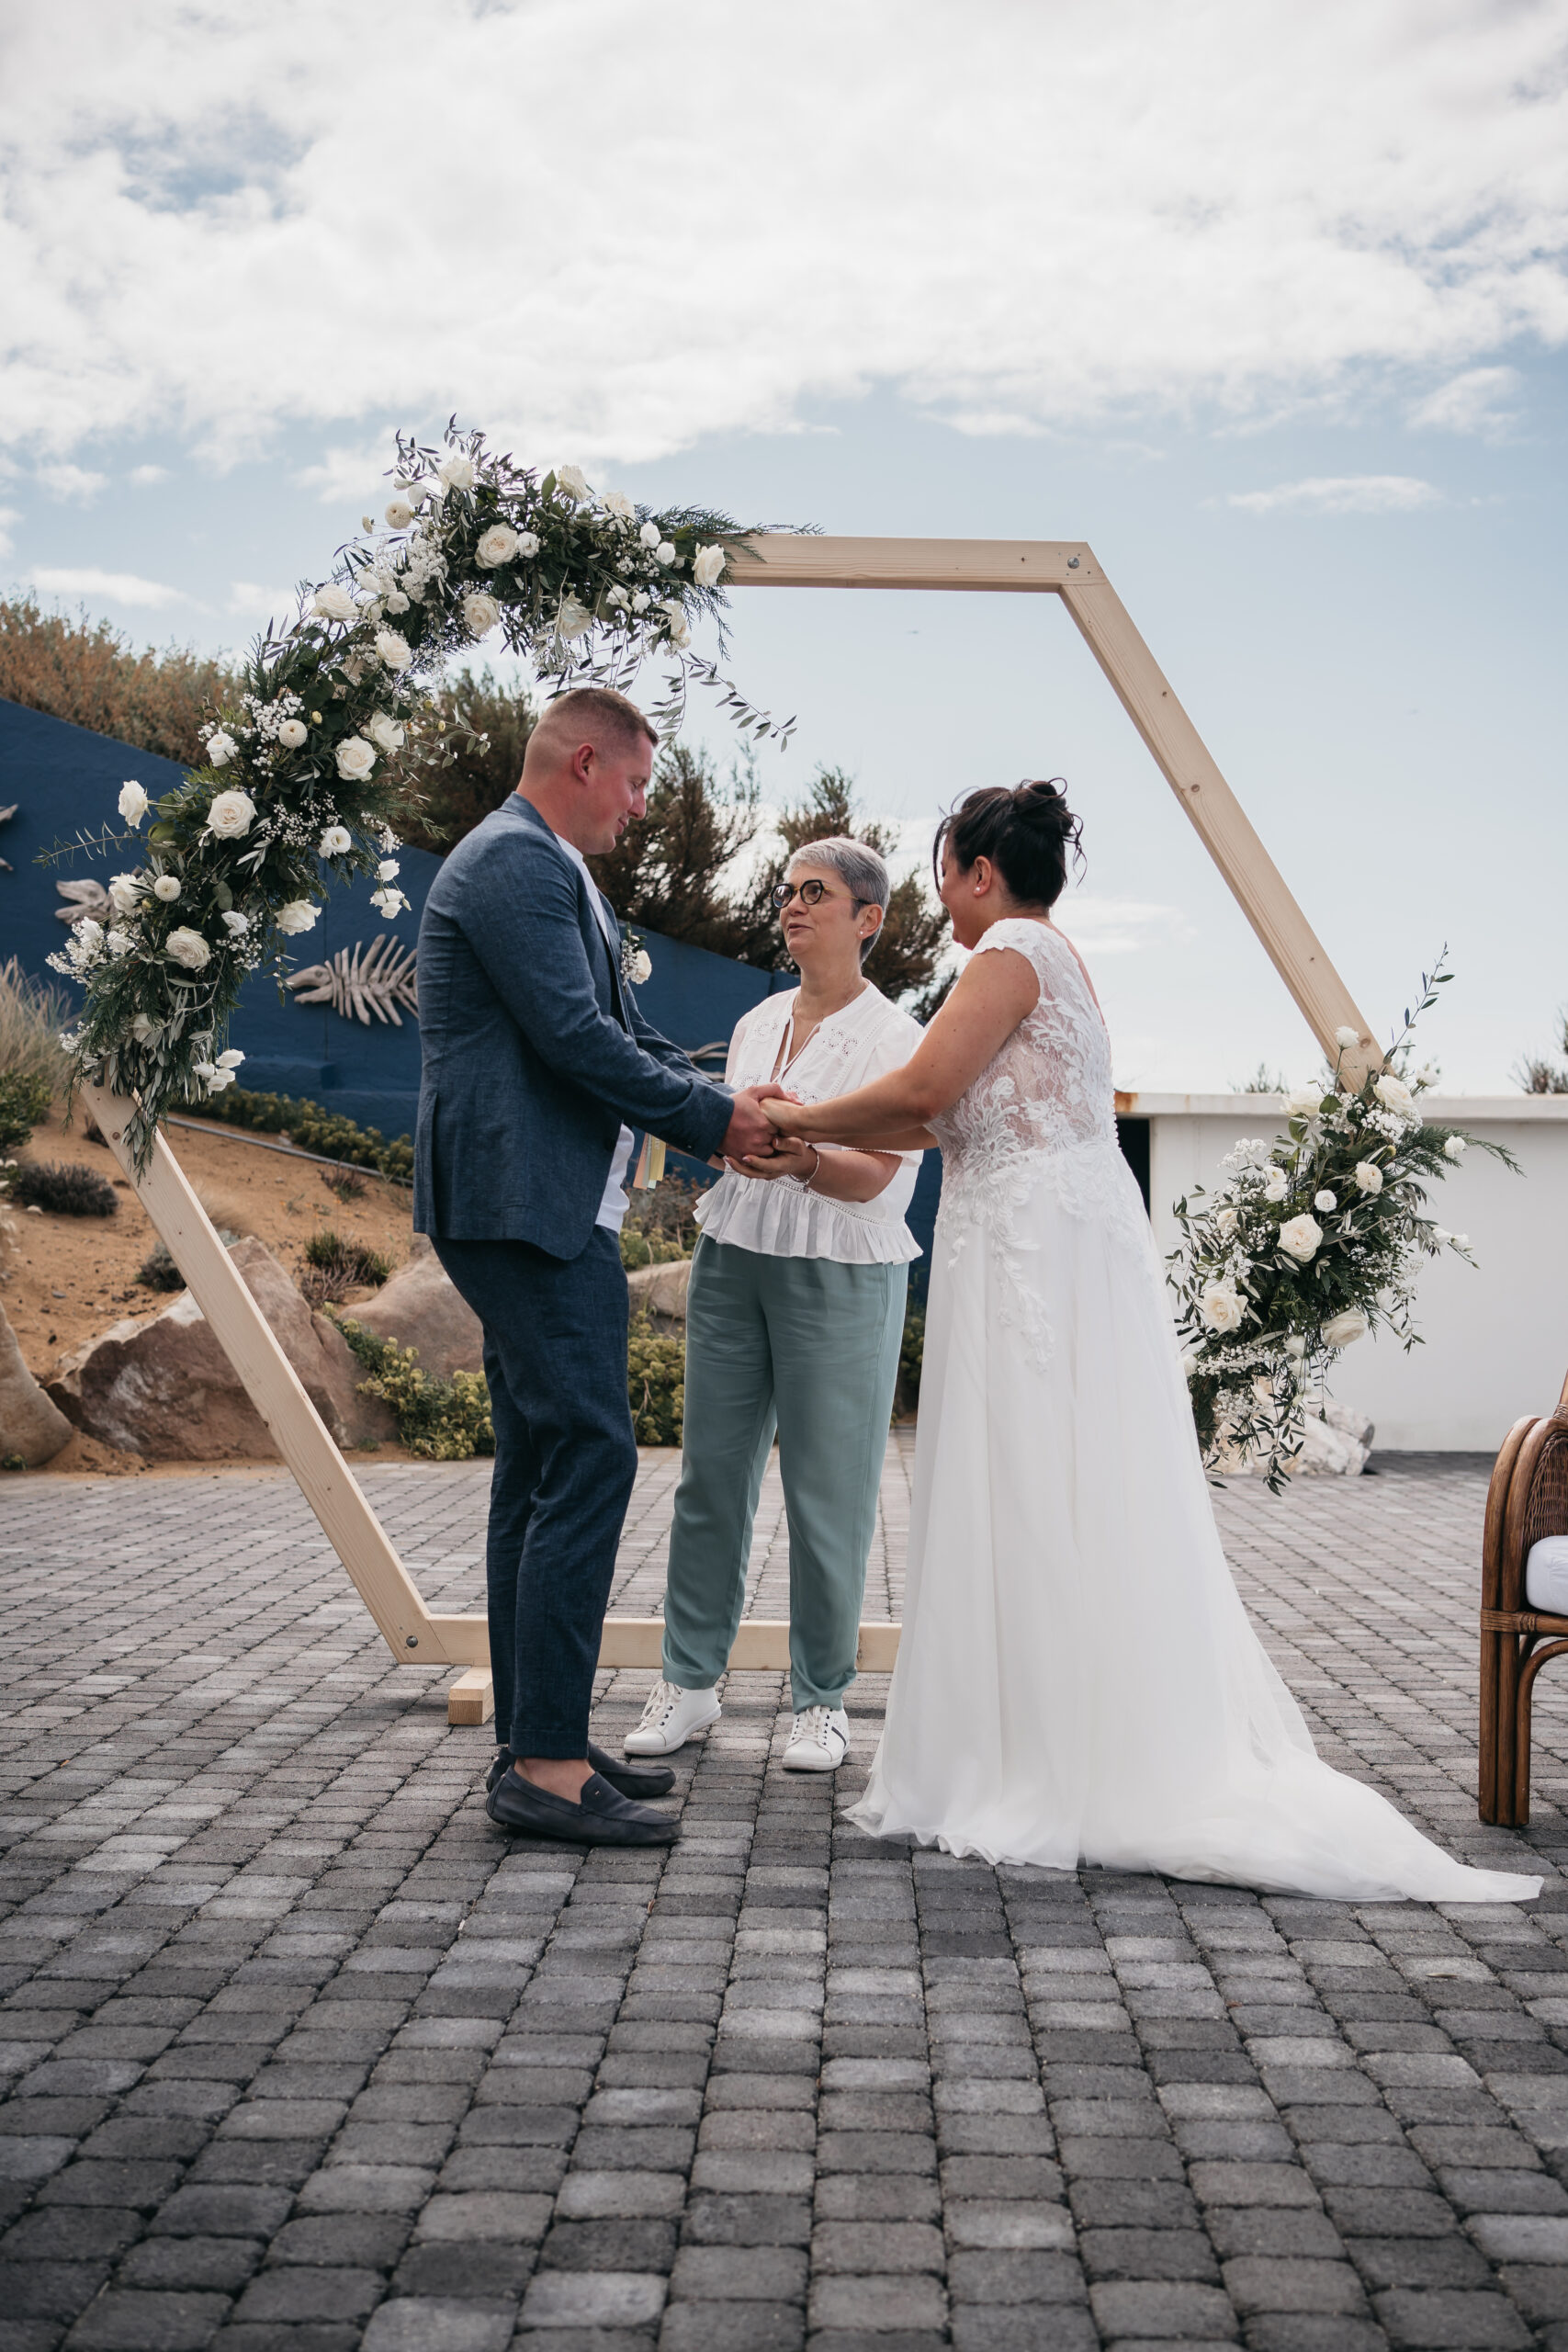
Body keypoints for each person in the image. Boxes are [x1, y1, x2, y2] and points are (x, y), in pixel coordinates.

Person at [761, 780, 1540, 1903]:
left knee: (1031, 1480)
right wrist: (809, 1142)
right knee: (1044, 1482)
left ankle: (1046, 1758)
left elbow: (927, 1085)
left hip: (1030, 1246)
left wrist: (790, 1114)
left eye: (945, 871)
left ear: (981, 873)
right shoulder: (1048, 956)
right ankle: (1036, 1732)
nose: (943, 894)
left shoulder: (1011, 951)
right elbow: (937, 1121)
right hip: (1037, 1236)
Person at [413, 687, 784, 1849]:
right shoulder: (517, 866)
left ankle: (541, 1738)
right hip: (526, 1204)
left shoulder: (543, 862)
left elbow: (614, 1031)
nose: (637, 807)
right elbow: (573, 1044)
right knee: (589, 1449)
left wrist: (725, 1093)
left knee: (539, 1456)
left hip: (539, 1199)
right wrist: (719, 1122)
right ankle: (546, 1764)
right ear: (585, 761)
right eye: (632, 784)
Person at [625, 838, 926, 1773]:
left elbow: (886, 1180)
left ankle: (821, 1699)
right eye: (787, 891)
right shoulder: (756, 1024)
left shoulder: (898, 1038)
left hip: (840, 1270)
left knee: (829, 1491)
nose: (793, 906)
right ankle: (689, 1679)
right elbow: (726, 1130)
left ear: (867, 919)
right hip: (732, 1256)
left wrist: (801, 1160)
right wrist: (729, 1140)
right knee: (710, 1478)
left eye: (816, 893)